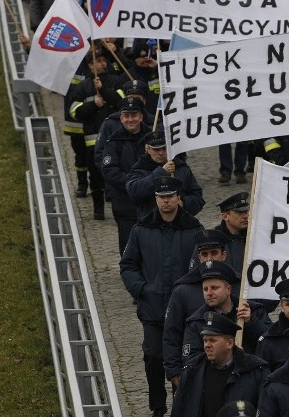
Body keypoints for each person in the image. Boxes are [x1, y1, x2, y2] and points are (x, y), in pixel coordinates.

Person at [120, 176, 204, 417]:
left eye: (170, 197)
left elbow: (201, 266)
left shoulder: (195, 230)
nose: (165, 201)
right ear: (155, 199)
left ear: (178, 198)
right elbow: (128, 265)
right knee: (154, 356)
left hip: (185, 310)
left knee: (183, 358)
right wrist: (142, 290)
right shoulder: (141, 229)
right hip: (153, 307)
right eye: (161, 197)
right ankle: (157, 405)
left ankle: (182, 404)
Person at [163, 232, 236, 387]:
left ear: (224, 255)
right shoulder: (183, 289)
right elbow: (172, 332)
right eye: (204, 254)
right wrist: (174, 372)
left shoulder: (240, 285)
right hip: (196, 367)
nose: (209, 258)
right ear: (198, 257)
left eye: (214, 253)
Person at [170, 313, 269, 417]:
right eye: (205, 340)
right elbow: (178, 410)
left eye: (212, 340)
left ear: (230, 343)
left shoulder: (255, 370)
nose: (207, 345)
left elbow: (266, 410)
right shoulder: (193, 369)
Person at [69, 49, 125, 219]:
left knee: (116, 174)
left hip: (115, 138)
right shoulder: (83, 87)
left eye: (104, 60)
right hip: (92, 140)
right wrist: (93, 104)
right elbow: (74, 112)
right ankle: (98, 208)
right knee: (95, 176)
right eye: (98, 60)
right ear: (90, 65)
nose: (103, 63)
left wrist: (104, 90)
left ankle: (118, 206)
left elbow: (121, 102)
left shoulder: (116, 81)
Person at [181, 260, 271, 365]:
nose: (209, 293)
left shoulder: (254, 310)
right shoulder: (197, 321)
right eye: (205, 289)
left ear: (228, 289)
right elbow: (191, 360)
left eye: (214, 288)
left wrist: (251, 323)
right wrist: (226, 357)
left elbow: (273, 344)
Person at [100, 96, 148, 255]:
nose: (130, 120)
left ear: (141, 116)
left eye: (134, 115)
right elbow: (110, 171)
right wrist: (134, 184)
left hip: (150, 202)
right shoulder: (113, 142)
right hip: (125, 202)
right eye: (126, 116)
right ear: (121, 118)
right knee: (129, 245)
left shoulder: (153, 138)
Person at [126, 128, 205, 221]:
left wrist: (184, 203)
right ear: (148, 149)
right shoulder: (140, 168)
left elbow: (198, 198)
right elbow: (135, 192)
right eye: (156, 149)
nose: (161, 153)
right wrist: (161, 172)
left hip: (181, 223)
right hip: (151, 223)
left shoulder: (181, 167)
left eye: (164, 148)